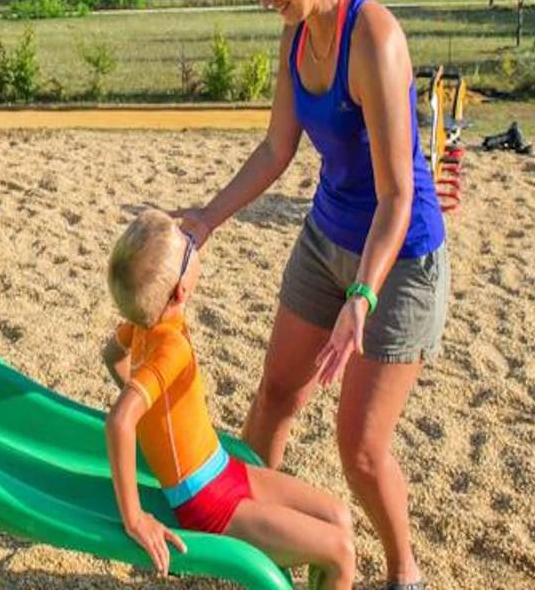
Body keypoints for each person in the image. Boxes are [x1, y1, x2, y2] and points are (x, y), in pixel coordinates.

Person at [176, 0, 449, 590]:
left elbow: (399, 195)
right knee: (274, 396)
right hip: (326, 236)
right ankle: (256, 550)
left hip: (401, 257)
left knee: (359, 447)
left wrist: (363, 294)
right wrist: (206, 219)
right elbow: (275, 151)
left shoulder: (375, 38)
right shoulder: (296, 32)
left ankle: (403, 571)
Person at [103, 208, 355, 589]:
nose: (193, 241)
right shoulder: (170, 348)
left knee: (338, 516)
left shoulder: (143, 323)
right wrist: (134, 517)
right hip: (208, 503)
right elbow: (119, 421)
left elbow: (111, 355)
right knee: (340, 551)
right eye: (187, 245)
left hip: (224, 470)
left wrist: (151, 413)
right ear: (180, 291)